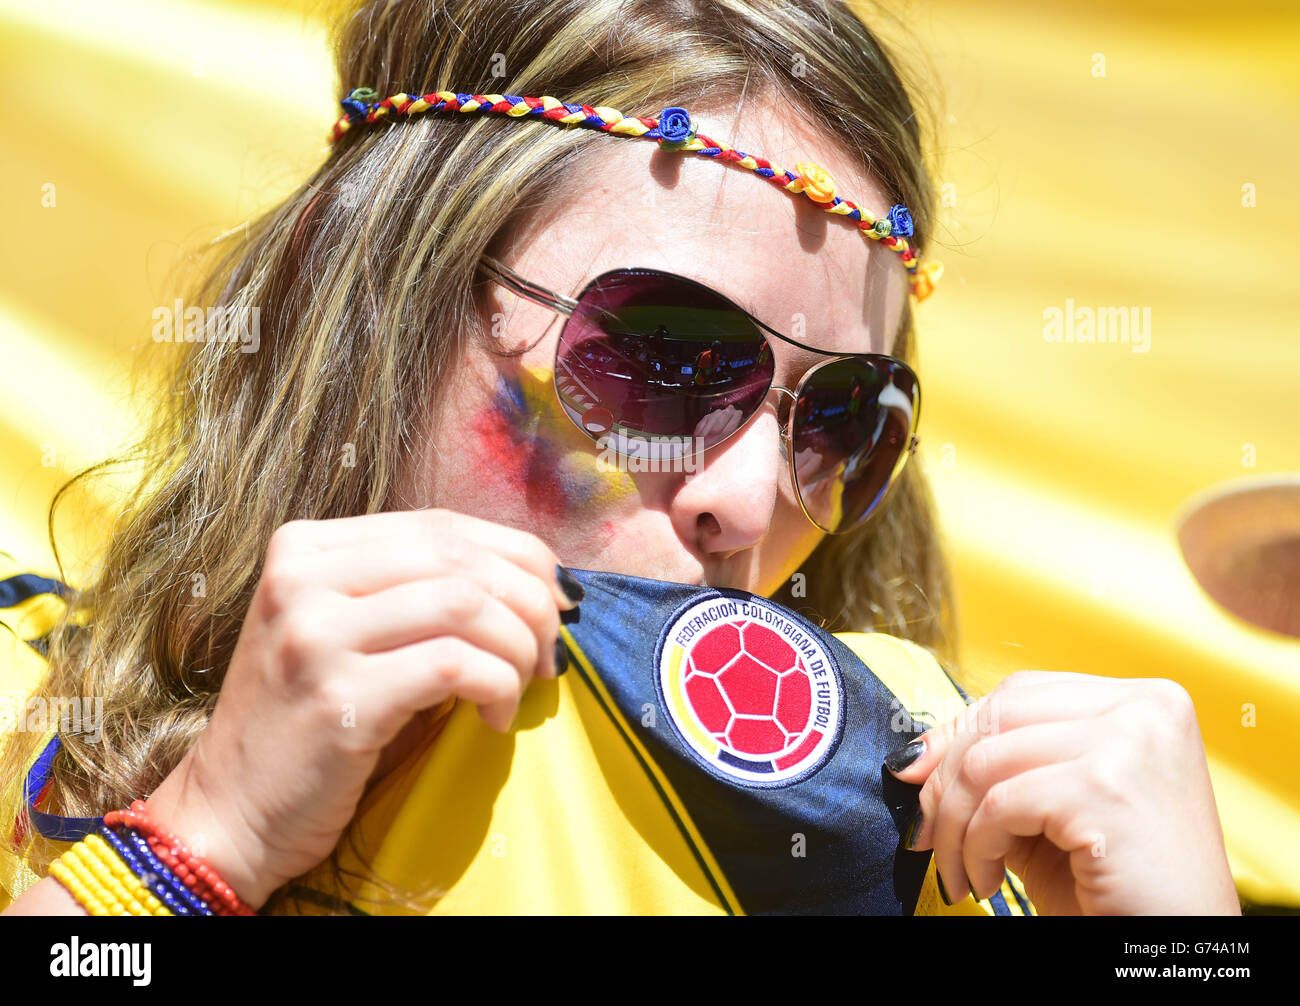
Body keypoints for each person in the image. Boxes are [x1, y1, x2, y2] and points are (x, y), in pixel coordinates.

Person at [0, 0, 1239, 915]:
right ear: (375, 301)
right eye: (667, 356)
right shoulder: (21, 696)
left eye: (843, 419)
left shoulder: (974, 848)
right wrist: (196, 844)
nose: (750, 501)